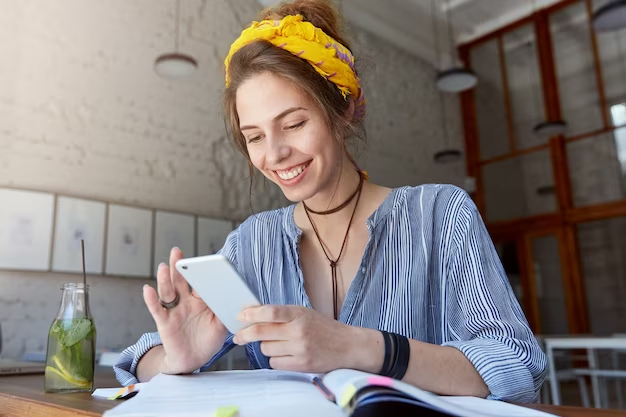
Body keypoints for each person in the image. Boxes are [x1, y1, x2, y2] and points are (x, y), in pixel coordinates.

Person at [114, 0, 546, 402]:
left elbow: (517, 367)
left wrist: (358, 346)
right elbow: (137, 362)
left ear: (344, 112)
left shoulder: (439, 215)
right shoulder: (251, 244)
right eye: (255, 137)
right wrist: (177, 360)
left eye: (294, 123)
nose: (275, 153)